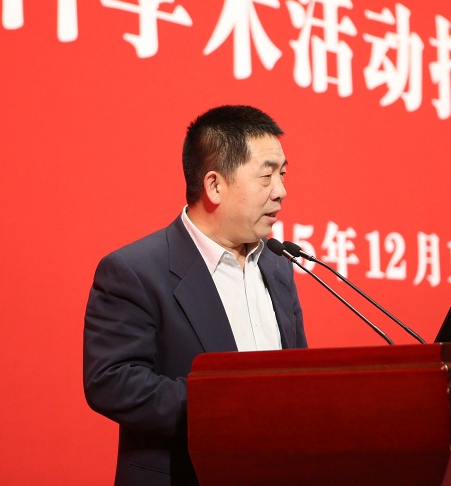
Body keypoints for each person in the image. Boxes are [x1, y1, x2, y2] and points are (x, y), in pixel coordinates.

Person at [83, 105, 308, 485]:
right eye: (266, 176)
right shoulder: (136, 270)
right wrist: (227, 406)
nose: (281, 192)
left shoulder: (277, 266)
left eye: (283, 174)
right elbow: (112, 381)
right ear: (215, 186)